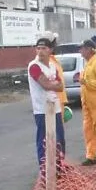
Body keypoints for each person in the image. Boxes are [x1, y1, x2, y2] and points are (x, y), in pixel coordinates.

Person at [28, 37, 66, 169]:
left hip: (55, 107)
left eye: (44, 48)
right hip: (42, 110)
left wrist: (52, 84)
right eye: (38, 48)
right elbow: (45, 85)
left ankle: (59, 167)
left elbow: (61, 87)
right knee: (44, 141)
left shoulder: (53, 66)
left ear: (50, 50)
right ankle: (45, 170)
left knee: (59, 140)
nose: (40, 51)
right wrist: (52, 84)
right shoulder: (34, 66)